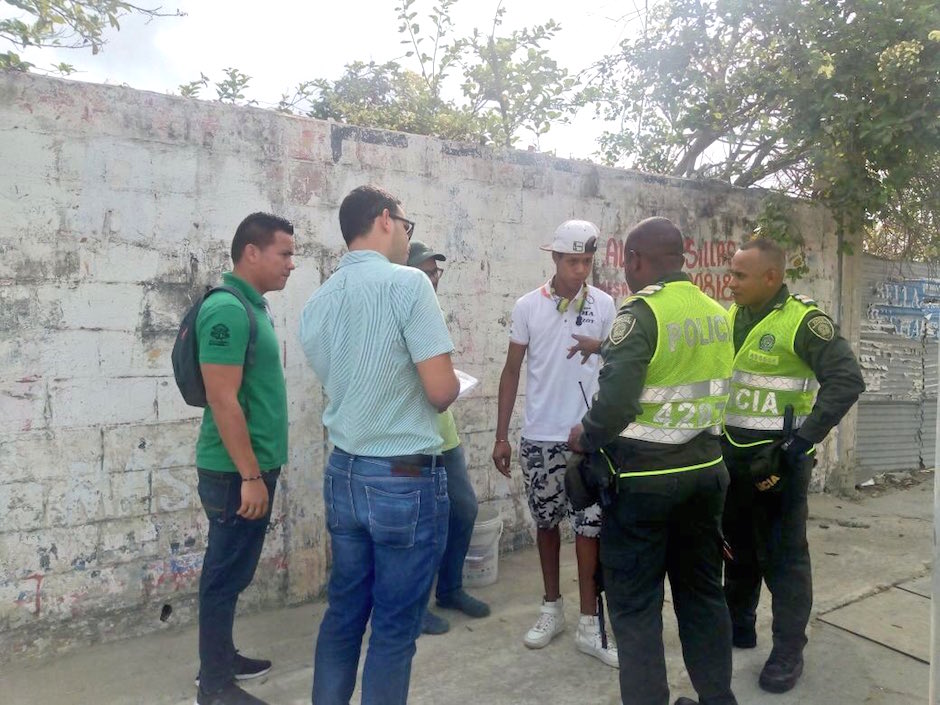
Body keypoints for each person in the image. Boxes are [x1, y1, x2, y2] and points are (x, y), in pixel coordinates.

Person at [569, 216, 739, 705]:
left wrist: (585, 435)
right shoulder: (715, 311)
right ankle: (716, 699)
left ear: (637, 260)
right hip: (706, 477)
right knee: (704, 597)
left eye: (627, 263)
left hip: (643, 485)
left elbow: (617, 403)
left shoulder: (639, 313)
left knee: (637, 609)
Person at [299, 186, 459, 705]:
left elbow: (345, 382)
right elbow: (439, 392)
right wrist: (452, 381)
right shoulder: (410, 284)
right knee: (393, 628)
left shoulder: (318, 300)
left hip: (344, 471)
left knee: (344, 614)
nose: (407, 237)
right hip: (403, 479)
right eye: (407, 226)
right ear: (386, 220)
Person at [722, 237, 865, 693]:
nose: (731, 282)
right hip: (733, 457)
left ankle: (788, 649)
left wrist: (799, 443)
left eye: (740, 275)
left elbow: (846, 380)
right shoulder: (733, 317)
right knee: (737, 548)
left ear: (771, 277)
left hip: (779, 463)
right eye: (731, 272)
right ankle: (739, 623)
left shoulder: (804, 322)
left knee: (783, 559)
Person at [492, 220, 618, 667]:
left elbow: (619, 365)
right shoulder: (528, 306)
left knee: (590, 530)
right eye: (571, 261)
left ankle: (589, 623)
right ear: (554, 259)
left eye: (586, 261)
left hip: (587, 440)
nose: (579, 270)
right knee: (546, 526)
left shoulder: (605, 305)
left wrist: (600, 347)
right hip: (540, 437)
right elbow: (511, 371)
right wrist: (501, 435)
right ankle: (552, 608)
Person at [194, 212, 296, 705]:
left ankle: (221, 657)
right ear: (251, 252)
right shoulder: (229, 310)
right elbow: (222, 399)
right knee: (222, 574)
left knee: (232, 572)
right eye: (284, 253)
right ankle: (213, 686)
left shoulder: (252, 307)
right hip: (236, 473)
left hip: (251, 470)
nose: (291, 264)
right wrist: (251, 475)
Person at [406, 240, 491, 635]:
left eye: (436, 271)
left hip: (445, 435)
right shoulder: (402, 309)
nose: (433, 279)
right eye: (425, 272)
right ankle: (414, 605)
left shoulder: (432, 312)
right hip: (412, 440)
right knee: (421, 525)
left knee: (464, 509)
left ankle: (451, 588)